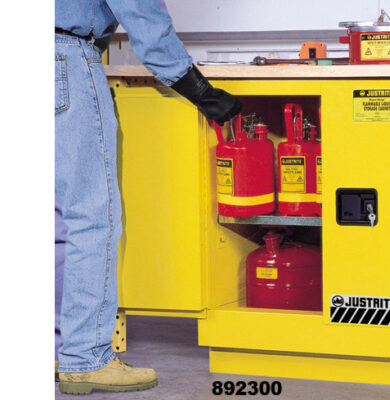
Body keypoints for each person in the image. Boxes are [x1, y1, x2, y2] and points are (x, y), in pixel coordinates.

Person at [55, 0, 241, 394]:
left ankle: (53, 348)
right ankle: (84, 358)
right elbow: (142, 15)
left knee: (52, 220)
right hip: (63, 60)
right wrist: (198, 89)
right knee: (91, 219)